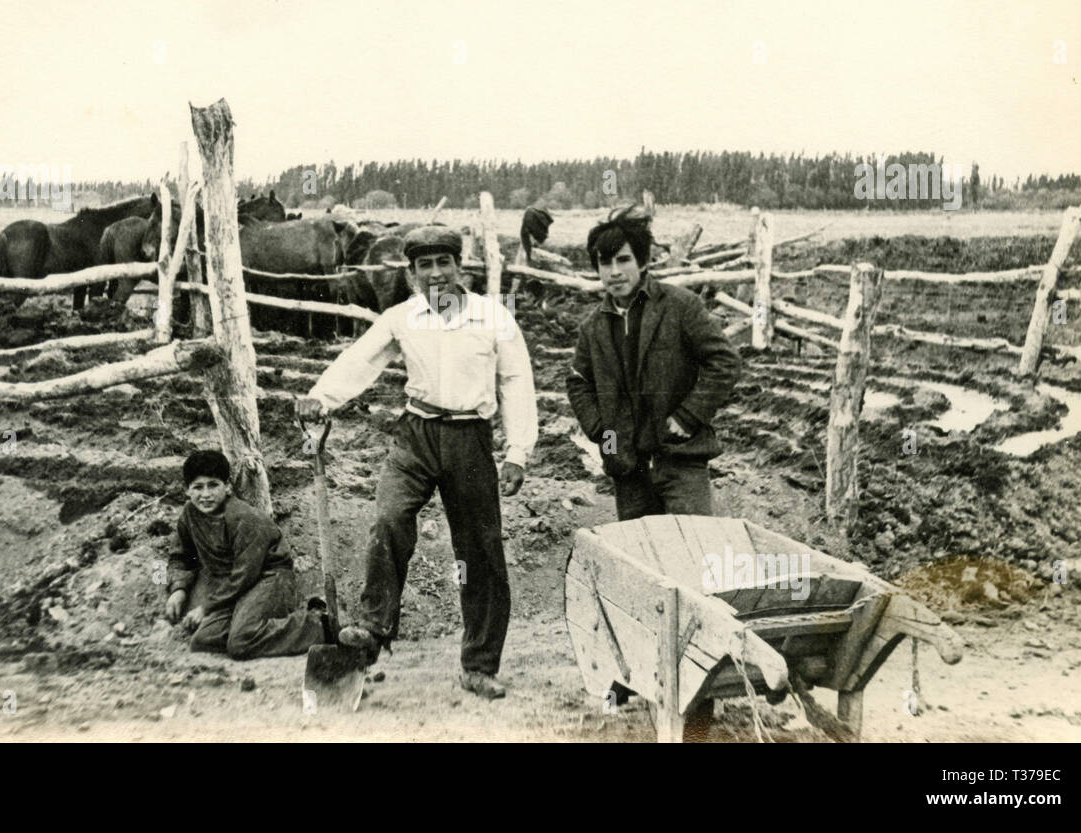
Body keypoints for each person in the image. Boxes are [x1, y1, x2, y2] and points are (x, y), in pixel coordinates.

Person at [295, 226, 537, 700]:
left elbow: (516, 382)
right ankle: (371, 629)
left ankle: (479, 664)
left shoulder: (493, 318)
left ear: (459, 266)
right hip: (416, 433)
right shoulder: (401, 318)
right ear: (411, 273)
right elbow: (361, 360)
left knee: (480, 551)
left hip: (470, 438)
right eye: (424, 266)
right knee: (388, 519)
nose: (435, 274)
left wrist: (518, 452)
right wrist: (319, 397)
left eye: (443, 263)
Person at [566, 207, 741, 519]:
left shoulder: (679, 306)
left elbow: (724, 361)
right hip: (627, 469)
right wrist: (602, 431)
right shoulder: (593, 326)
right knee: (641, 556)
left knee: (692, 552)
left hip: (680, 461)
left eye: (623, 260)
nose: (614, 271)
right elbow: (578, 382)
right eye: (605, 263)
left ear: (643, 261)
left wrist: (689, 416)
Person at [164, 450, 326, 660]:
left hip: (269, 577)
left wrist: (206, 608)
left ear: (227, 486)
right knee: (202, 641)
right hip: (234, 587)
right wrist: (178, 589)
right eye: (197, 487)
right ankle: (248, 626)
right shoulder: (189, 515)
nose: (205, 494)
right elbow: (180, 557)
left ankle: (320, 624)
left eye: (213, 485)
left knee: (240, 643)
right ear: (187, 490)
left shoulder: (244, 518)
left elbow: (245, 573)